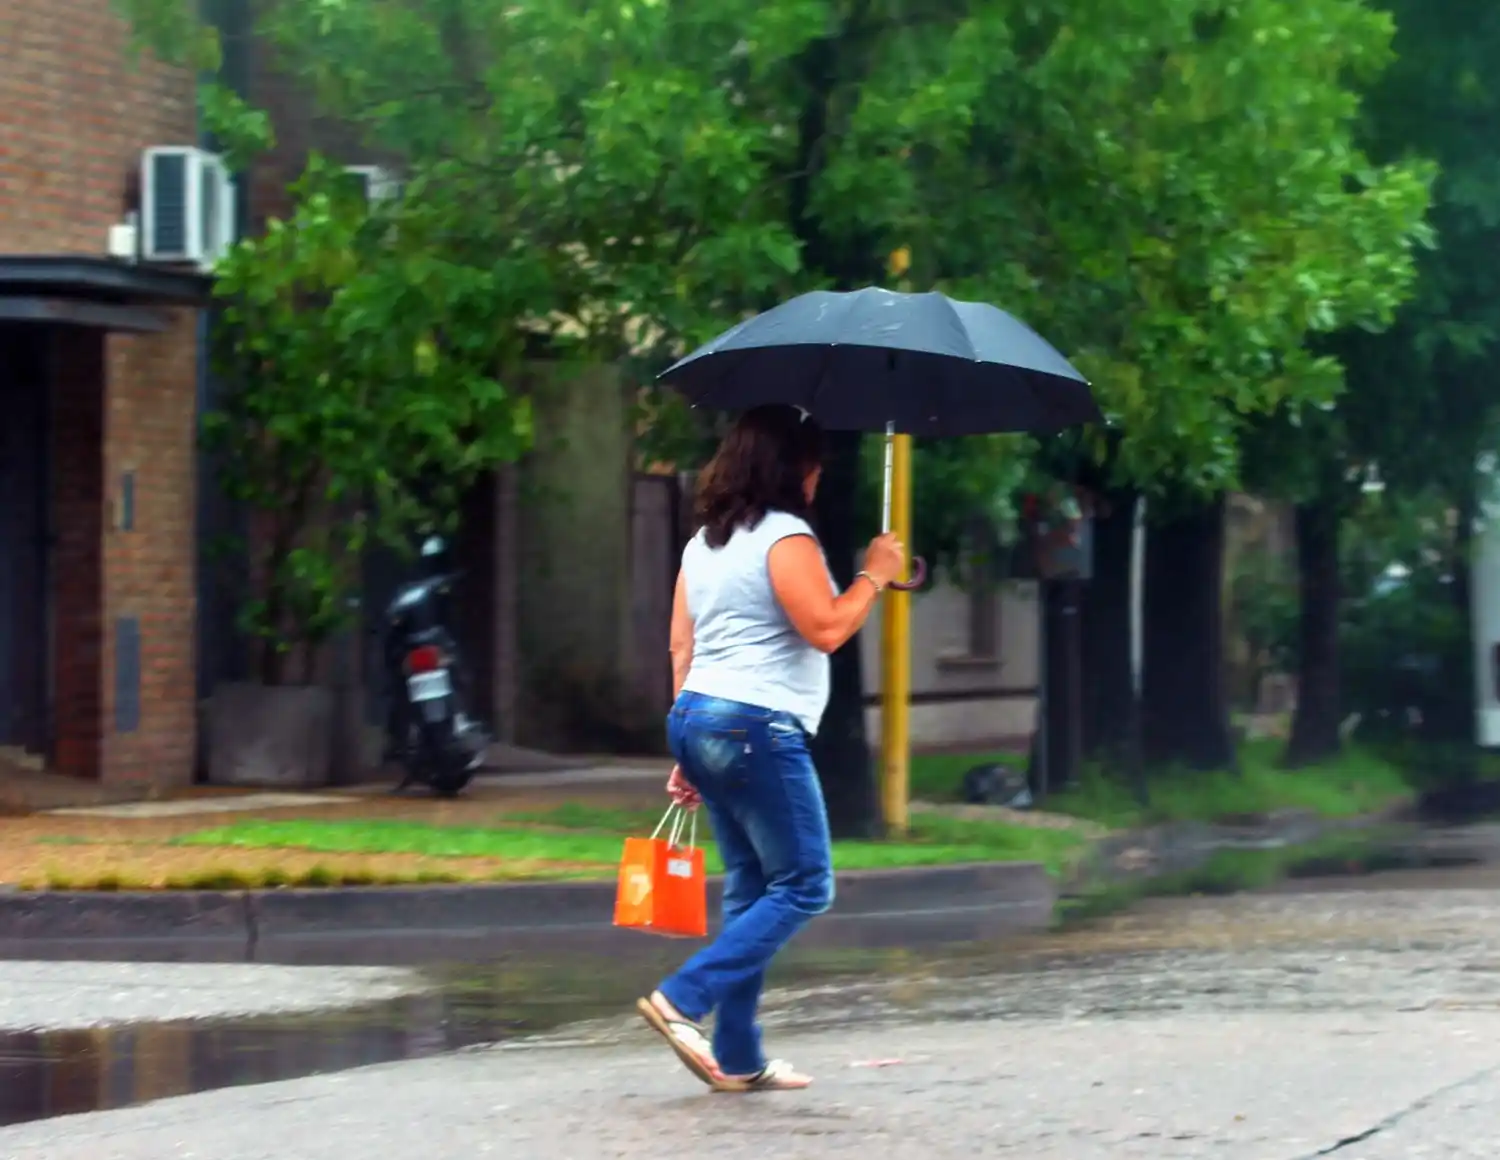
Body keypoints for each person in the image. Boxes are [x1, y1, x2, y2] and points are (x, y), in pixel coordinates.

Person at [635, 404, 905, 1093]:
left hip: (702, 715)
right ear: (794, 467)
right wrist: (873, 573)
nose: (818, 478)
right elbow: (826, 628)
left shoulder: (705, 545)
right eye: (813, 464)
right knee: (806, 884)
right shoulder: (787, 539)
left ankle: (737, 1055)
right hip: (758, 725)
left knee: (754, 888)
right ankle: (683, 998)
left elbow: (681, 647)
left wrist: (690, 746)